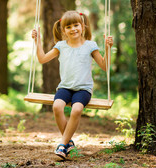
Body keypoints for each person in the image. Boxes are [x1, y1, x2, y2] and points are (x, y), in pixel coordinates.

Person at [31, 10, 113, 159]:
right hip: (65, 87)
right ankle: (68, 144)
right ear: (64, 31)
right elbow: (42, 59)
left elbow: (105, 66)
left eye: (76, 25)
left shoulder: (90, 45)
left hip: (83, 89)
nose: (73, 29)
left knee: (76, 110)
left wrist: (108, 48)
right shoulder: (61, 46)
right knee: (56, 107)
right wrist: (38, 40)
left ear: (83, 26)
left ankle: (62, 144)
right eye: (68, 27)